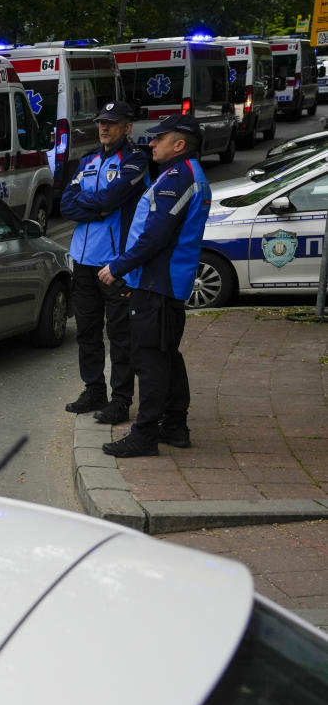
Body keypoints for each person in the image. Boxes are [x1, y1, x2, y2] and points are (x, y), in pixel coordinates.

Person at [98, 113, 210, 458]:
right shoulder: (182, 175)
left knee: (150, 361)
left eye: (159, 139)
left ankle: (144, 435)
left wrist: (119, 268)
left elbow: (156, 235)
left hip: (159, 284)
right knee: (166, 357)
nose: (152, 143)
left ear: (178, 145)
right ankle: (174, 427)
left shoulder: (178, 177)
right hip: (158, 283)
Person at [59, 101, 149, 425]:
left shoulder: (135, 161)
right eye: (101, 123)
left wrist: (99, 204)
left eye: (112, 123)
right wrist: (97, 209)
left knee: (120, 335)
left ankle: (121, 400)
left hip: (114, 264)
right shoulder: (88, 161)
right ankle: (93, 389)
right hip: (82, 261)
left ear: (127, 127)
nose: (104, 128)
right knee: (87, 331)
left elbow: (114, 198)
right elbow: (65, 204)